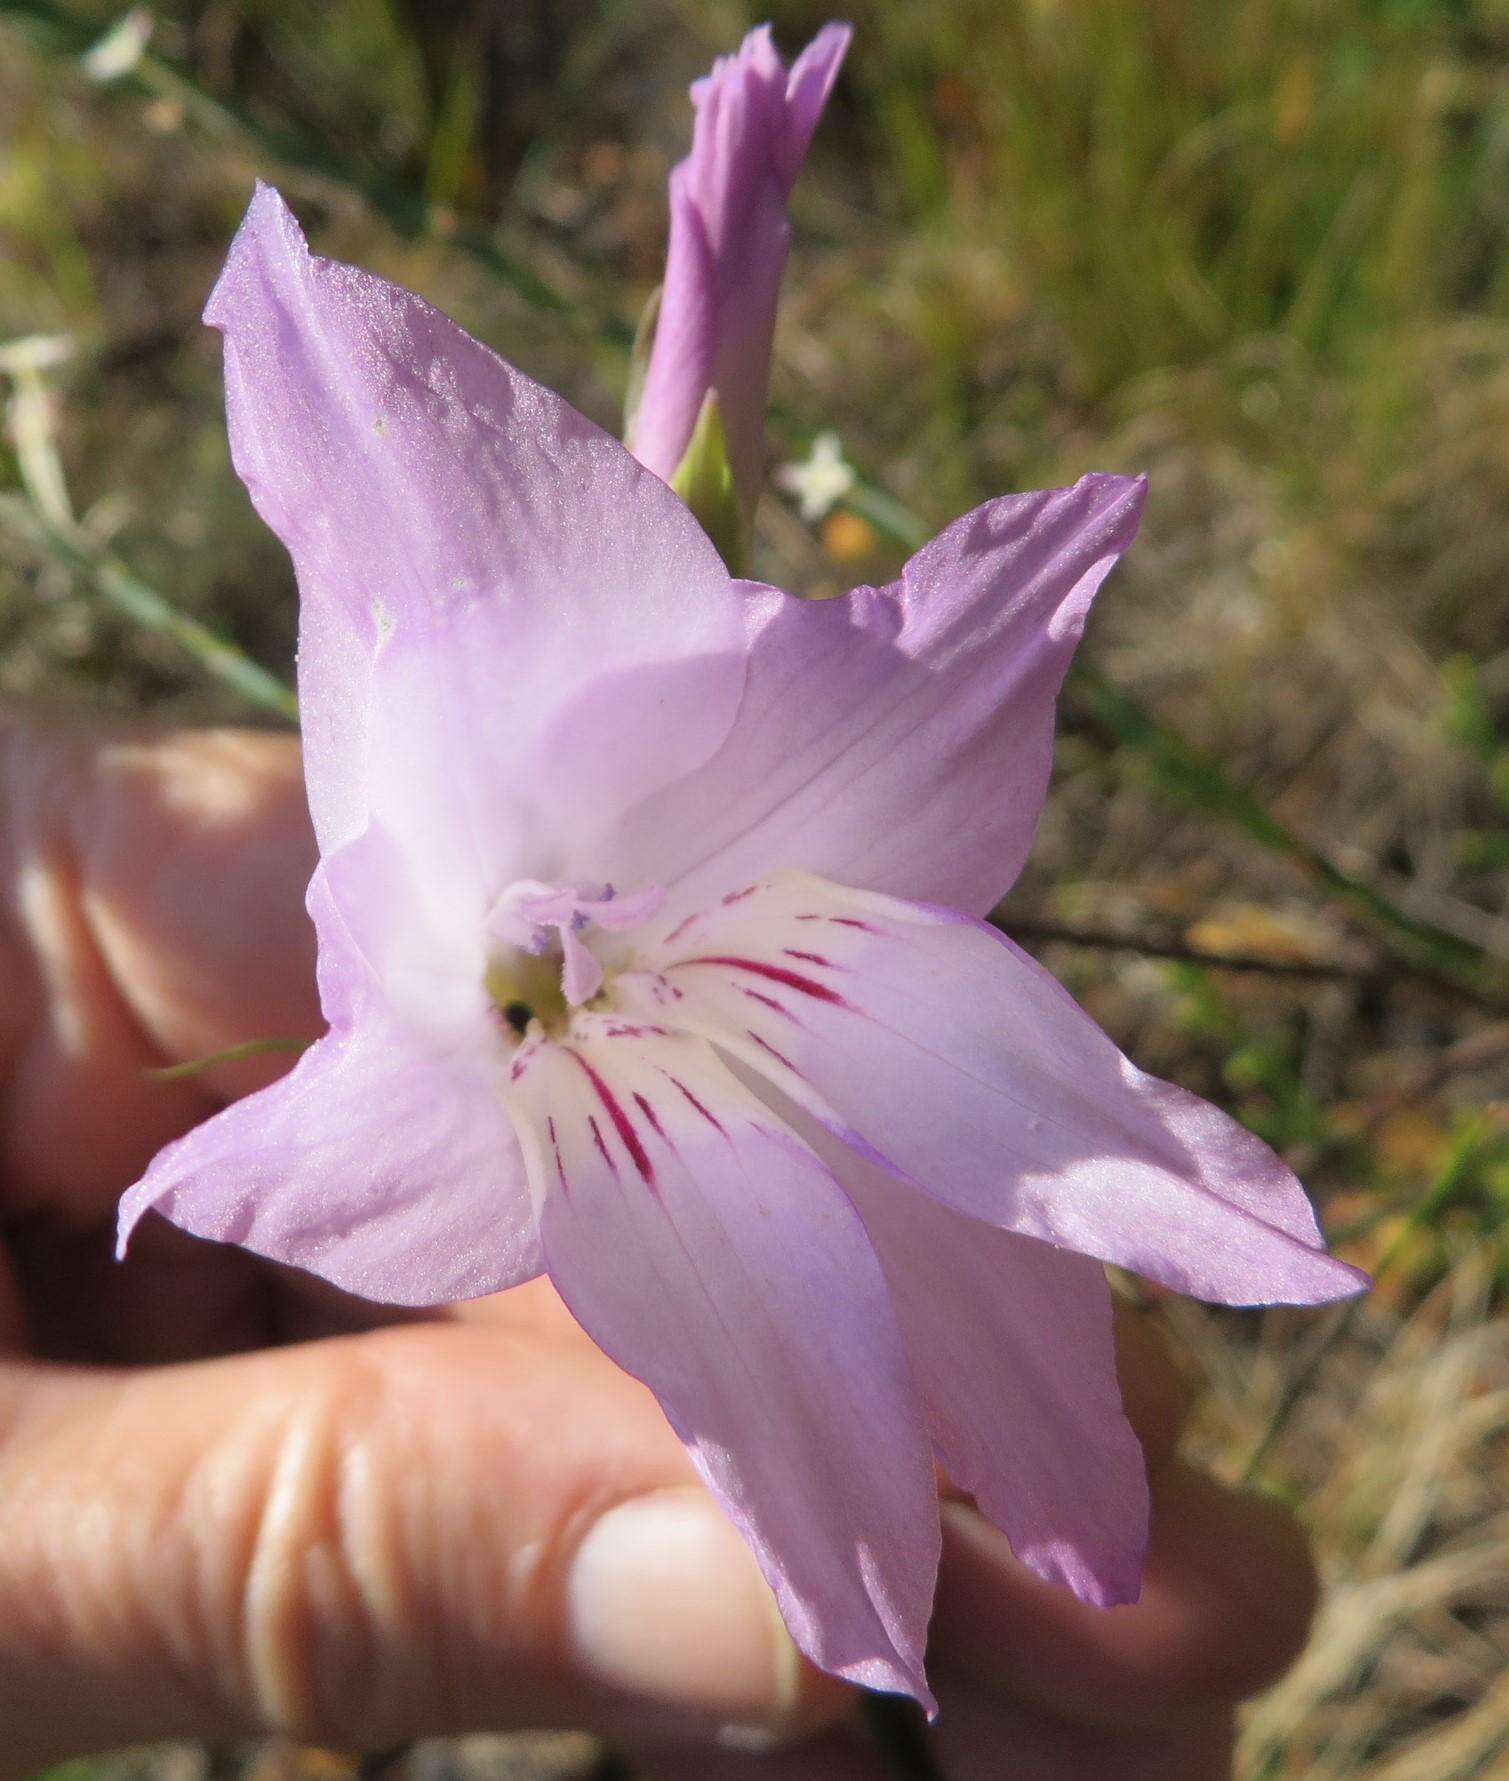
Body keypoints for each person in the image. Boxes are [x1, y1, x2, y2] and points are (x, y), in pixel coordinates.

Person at [0, 719, 1321, 1779]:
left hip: (648, 1091)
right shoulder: (455, 974)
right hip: (598, 1098)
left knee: (1073, 1505)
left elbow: (935, 702)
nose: (581, 984)